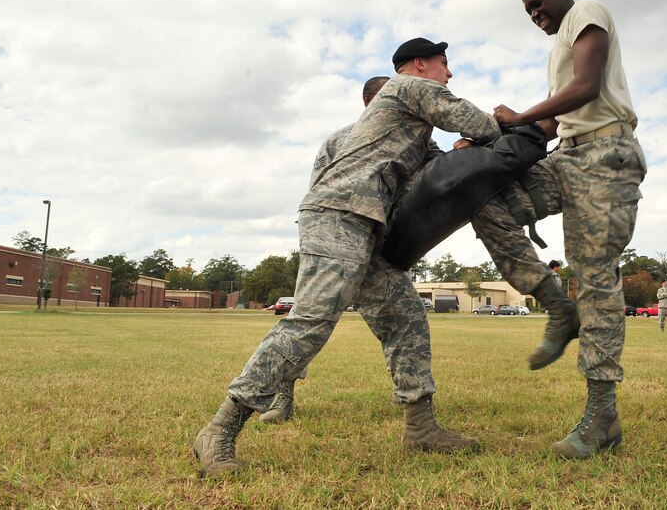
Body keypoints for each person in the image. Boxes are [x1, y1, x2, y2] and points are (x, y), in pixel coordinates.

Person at [193, 38, 502, 477]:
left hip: (368, 226)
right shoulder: (406, 87)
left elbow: (437, 170)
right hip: (339, 216)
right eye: (444, 65)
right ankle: (220, 430)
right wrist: (510, 123)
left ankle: (421, 426)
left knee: (406, 316)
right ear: (419, 64)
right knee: (312, 321)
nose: (448, 74)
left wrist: (462, 155)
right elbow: (474, 121)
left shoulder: (410, 131)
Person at [471, 0, 646, 459]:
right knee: (483, 198)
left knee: (594, 278)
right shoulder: (556, 52)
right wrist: (490, 138)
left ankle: (602, 419)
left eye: (538, 2)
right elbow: (549, 124)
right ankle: (556, 305)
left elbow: (587, 86)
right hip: (567, 156)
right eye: (526, 10)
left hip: (605, 157)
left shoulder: (585, 13)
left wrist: (519, 114)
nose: (534, 14)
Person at [259, 76, 393, 424]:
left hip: (379, 246)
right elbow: (316, 196)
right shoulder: (339, 140)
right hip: (334, 243)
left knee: (404, 320)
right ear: (369, 103)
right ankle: (282, 396)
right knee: (308, 320)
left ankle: (414, 402)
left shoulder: (411, 139)